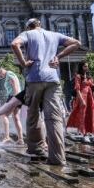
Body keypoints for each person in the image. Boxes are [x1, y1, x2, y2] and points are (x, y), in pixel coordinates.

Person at [11, 18, 80, 165]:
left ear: (28, 27)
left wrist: (23, 63)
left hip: (34, 78)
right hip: (53, 79)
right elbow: (77, 43)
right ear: (40, 25)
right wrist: (58, 56)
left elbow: (14, 44)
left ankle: (36, 148)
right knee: (54, 117)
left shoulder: (27, 34)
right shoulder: (54, 34)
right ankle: (57, 157)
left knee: (33, 114)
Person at [66, 62, 94, 145]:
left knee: (93, 115)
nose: (87, 67)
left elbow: (93, 87)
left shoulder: (89, 77)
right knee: (83, 116)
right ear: (81, 67)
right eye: (85, 66)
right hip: (82, 97)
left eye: (87, 66)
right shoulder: (78, 76)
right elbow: (77, 89)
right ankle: (85, 135)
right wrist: (81, 100)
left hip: (90, 98)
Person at [0, 66, 25, 145]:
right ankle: (21, 139)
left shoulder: (9, 74)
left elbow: (15, 85)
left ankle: (7, 137)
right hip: (18, 97)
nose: (1, 77)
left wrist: (15, 99)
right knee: (16, 117)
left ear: (0, 71)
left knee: (3, 115)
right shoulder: (10, 74)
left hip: (13, 97)